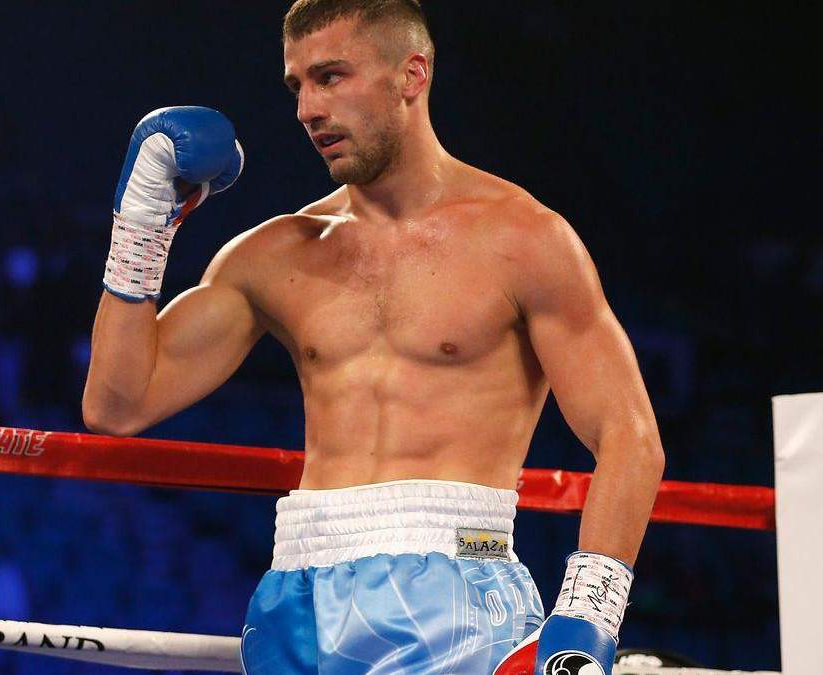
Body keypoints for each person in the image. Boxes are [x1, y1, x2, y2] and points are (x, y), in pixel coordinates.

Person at [81, 1, 665, 673]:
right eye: (297, 86)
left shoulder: (524, 240)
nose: (307, 109)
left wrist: (589, 614)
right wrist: (141, 228)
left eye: (330, 77)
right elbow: (117, 404)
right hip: (294, 597)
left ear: (412, 75)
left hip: (458, 588)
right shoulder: (276, 254)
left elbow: (630, 436)